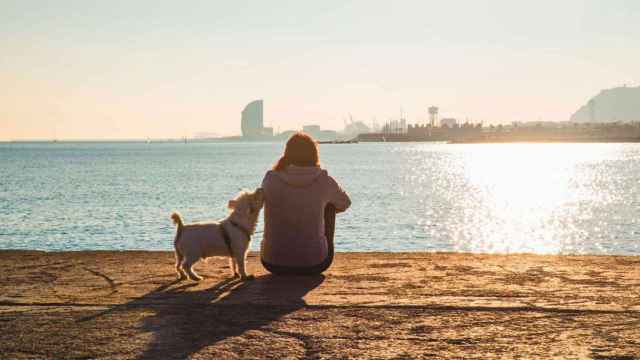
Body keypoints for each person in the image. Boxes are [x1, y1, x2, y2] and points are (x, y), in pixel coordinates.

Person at [260, 132, 351, 275]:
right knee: (330, 206)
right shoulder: (324, 180)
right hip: (314, 263)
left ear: (287, 153)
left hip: (272, 262)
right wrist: (318, 208)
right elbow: (345, 203)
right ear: (314, 154)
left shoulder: (271, 178)